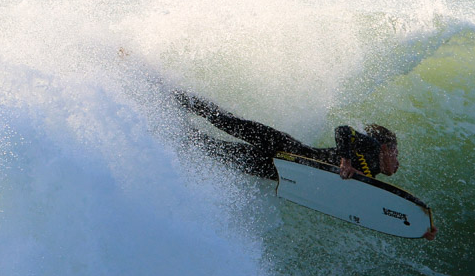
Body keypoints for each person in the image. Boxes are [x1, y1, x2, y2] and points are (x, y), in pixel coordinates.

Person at [172, 90, 436, 239]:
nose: (398, 163)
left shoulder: (370, 176)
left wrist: (418, 226)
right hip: (285, 148)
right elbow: (343, 130)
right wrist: (345, 161)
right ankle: (172, 94)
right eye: (397, 154)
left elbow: (372, 207)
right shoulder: (368, 147)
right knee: (226, 121)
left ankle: (169, 133)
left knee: (214, 150)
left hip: (279, 171)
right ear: (386, 148)